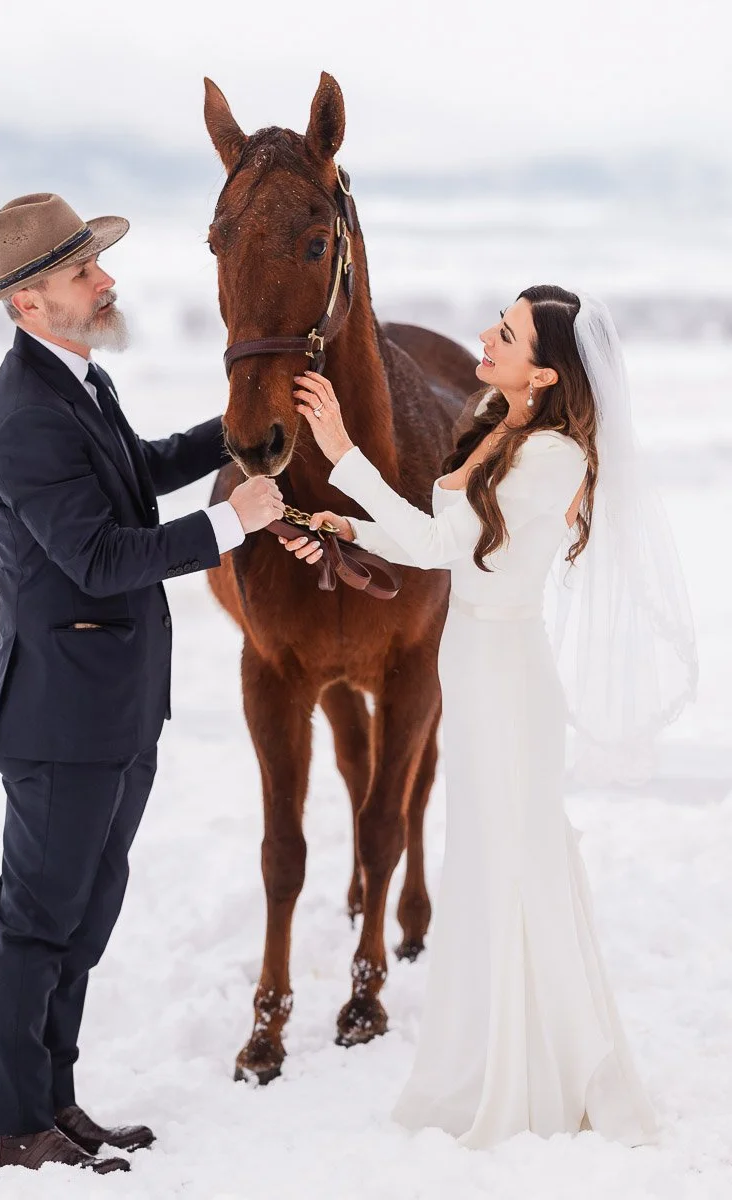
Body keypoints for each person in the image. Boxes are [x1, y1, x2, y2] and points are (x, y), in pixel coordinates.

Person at [284, 285, 697, 1148]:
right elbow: (439, 548)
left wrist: (343, 452)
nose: (484, 334)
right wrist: (344, 525)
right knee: (484, 861)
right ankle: (491, 1051)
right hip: (471, 667)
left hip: (507, 680)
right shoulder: (499, 424)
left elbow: (451, 551)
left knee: (517, 863)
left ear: (545, 373)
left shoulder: (553, 460)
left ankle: (543, 1067)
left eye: (505, 333)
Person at [0, 193, 284, 1174]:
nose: (106, 280)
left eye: (96, 266)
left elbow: (134, 474)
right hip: (59, 718)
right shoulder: (22, 417)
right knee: (36, 921)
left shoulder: (76, 383)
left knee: (83, 915)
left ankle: (53, 1098)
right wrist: (236, 522)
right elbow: (100, 557)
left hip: (112, 708)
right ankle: (11, 1120)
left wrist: (239, 434)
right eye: (80, 272)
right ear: (28, 303)